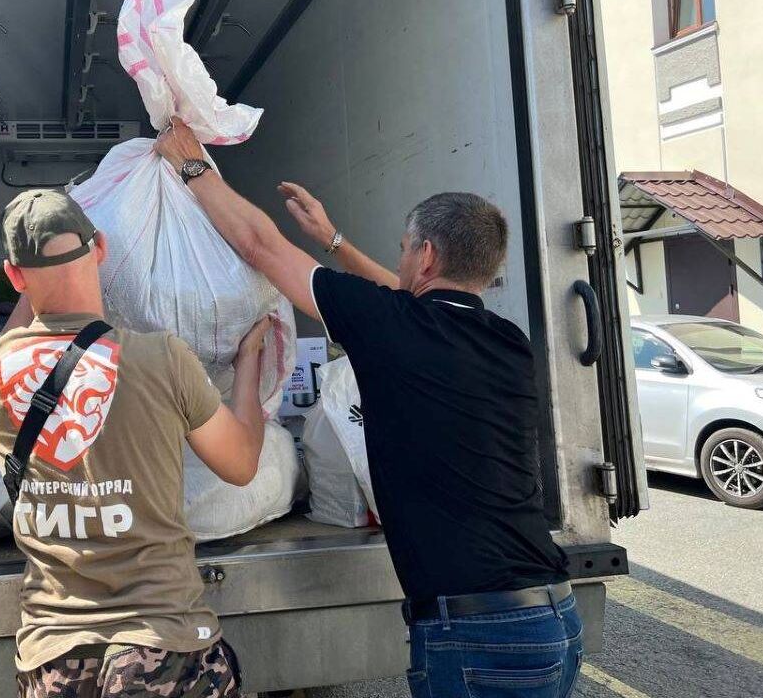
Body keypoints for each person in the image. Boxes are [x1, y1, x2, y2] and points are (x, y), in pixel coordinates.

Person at [156, 120, 581, 697]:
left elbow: (260, 245)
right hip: (553, 615)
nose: (401, 260)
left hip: (478, 633)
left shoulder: (398, 327)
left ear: (426, 255)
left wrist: (191, 166)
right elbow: (409, 300)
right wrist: (332, 242)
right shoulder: (506, 341)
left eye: (406, 250)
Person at [0, 188, 267, 698]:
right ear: (101, 247)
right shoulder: (162, 359)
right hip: (163, 640)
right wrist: (249, 361)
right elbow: (240, 464)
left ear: (12, 276)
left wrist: (31, 270)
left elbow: (19, 328)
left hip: (52, 654)